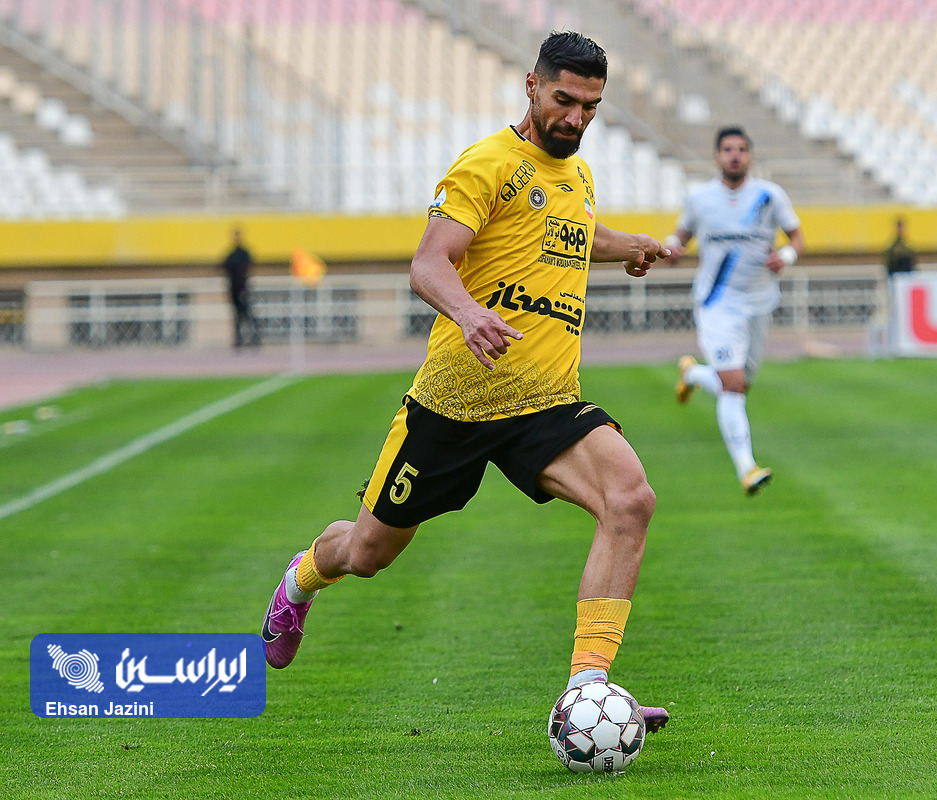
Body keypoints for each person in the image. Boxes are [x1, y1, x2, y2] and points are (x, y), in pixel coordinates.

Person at [259, 32, 670, 733]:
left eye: (590, 107)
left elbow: (568, 230)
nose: (575, 118)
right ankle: (299, 581)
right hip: (455, 403)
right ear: (532, 85)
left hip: (545, 403)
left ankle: (589, 691)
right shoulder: (486, 165)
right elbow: (429, 263)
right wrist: (471, 313)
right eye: (564, 100)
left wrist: (626, 244)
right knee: (367, 553)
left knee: (630, 499)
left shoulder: (577, 174)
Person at [664, 126, 803, 496]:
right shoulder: (700, 198)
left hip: (759, 303)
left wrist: (786, 256)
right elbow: (680, 235)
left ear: (750, 156)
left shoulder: (769, 196)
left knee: (741, 384)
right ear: (717, 157)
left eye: (741, 149)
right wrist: (671, 247)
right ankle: (747, 468)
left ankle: (694, 374)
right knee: (732, 385)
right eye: (728, 149)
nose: (735, 155)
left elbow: (797, 237)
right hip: (717, 305)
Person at [220, 227, 260, 348]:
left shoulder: (243, 254)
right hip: (235, 288)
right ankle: (239, 339)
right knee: (238, 316)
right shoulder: (231, 254)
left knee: (247, 315)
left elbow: (248, 268)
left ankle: (253, 338)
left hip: (242, 288)